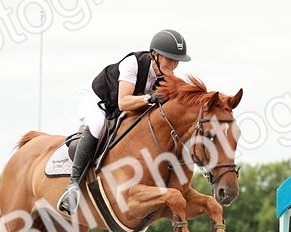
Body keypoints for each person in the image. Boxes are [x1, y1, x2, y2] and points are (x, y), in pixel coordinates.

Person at [57, 29, 191, 215]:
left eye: (177, 60)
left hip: (118, 109)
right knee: (97, 124)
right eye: (170, 59)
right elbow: (123, 102)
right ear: (155, 54)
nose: (174, 65)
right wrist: (149, 98)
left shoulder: (167, 78)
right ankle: (73, 186)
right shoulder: (133, 63)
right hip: (95, 100)